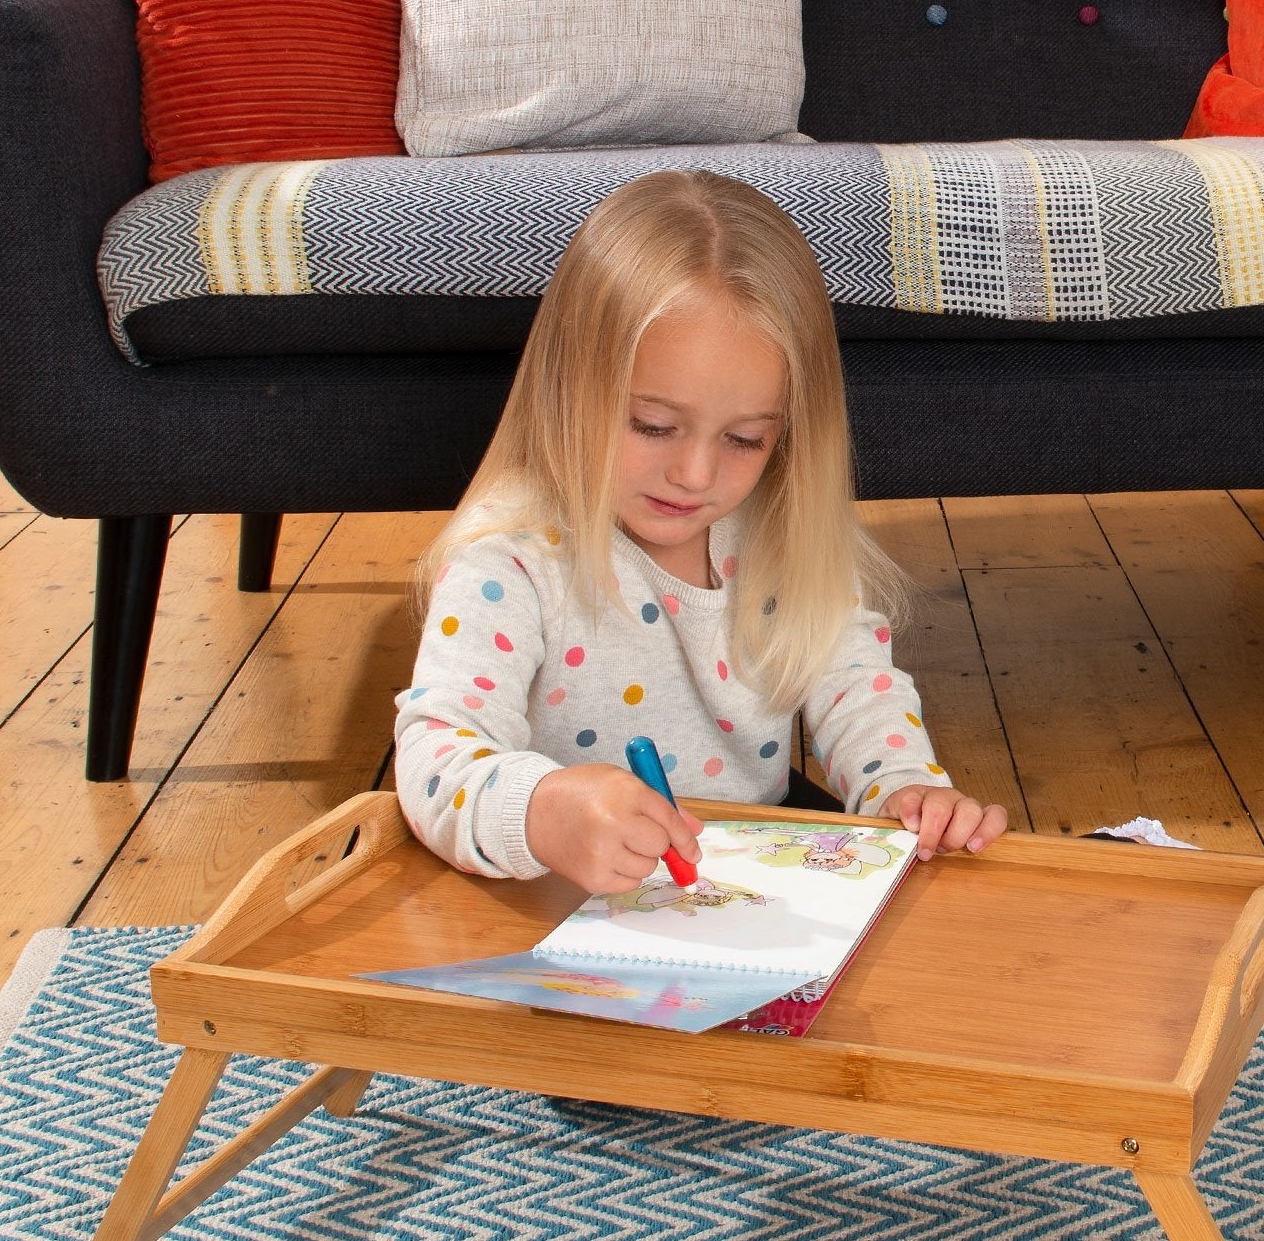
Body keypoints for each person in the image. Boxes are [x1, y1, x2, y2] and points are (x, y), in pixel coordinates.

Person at [396, 169, 1009, 894]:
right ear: (566, 387)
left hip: (741, 875)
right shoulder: (511, 556)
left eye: (745, 439)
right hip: (558, 895)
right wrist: (542, 811)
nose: (694, 474)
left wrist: (903, 785)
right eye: (653, 425)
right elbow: (436, 760)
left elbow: (854, 683)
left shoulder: (779, 527)